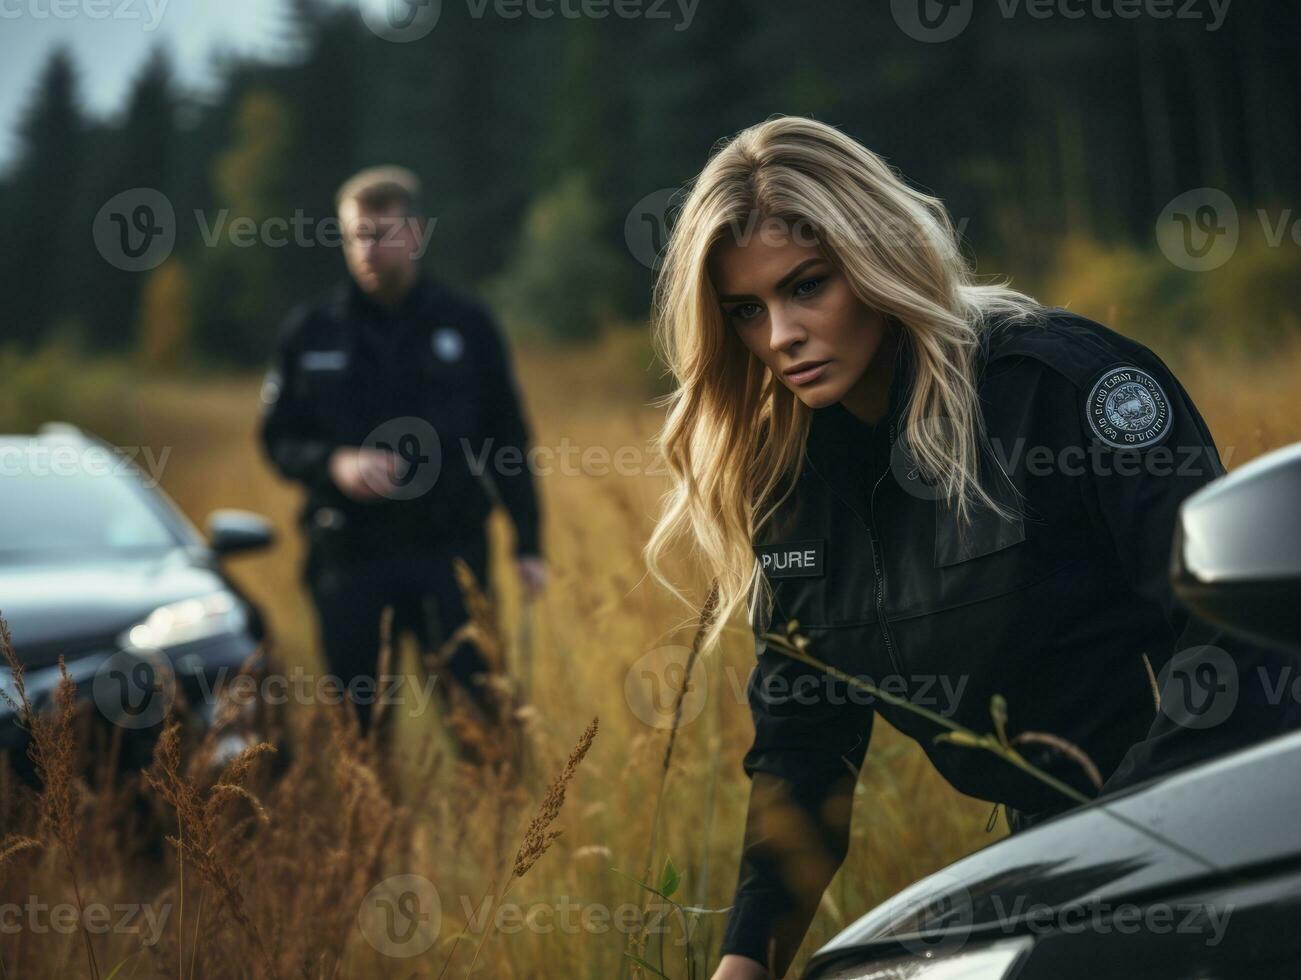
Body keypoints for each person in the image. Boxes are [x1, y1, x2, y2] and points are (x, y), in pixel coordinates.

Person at [642, 117, 1301, 979]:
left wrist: (1109, 848)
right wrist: (747, 958)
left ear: (878, 261)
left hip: (1230, 836)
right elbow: (805, 749)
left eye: (806, 286)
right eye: (744, 312)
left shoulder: (1063, 390)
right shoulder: (790, 486)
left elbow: (1229, 646)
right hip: (1057, 867)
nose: (779, 336)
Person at [259, 165, 546, 746]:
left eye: (381, 233)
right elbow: (276, 438)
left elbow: (507, 439)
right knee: (358, 734)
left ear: (415, 235)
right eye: (354, 236)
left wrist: (529, 542)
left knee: (483, 721)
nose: (367, 249)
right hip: (349, 557)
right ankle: (375, 832)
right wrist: (332, 464)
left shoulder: (466, 325)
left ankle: (499, 827)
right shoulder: (311, 333)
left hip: (448, 551)